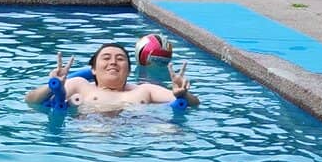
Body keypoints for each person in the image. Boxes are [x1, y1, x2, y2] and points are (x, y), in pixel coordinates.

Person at [25, 42, 199, 111]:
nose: (113, 62)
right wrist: (51, 85)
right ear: (93, 70)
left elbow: (194, 104)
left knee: (168, 133)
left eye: (120, 59)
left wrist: (183, 94)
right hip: (91, 134)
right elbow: (31, 100)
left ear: (130, 71)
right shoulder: (80, 85)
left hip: (138, 132)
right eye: (106, 58)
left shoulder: (145, 90)